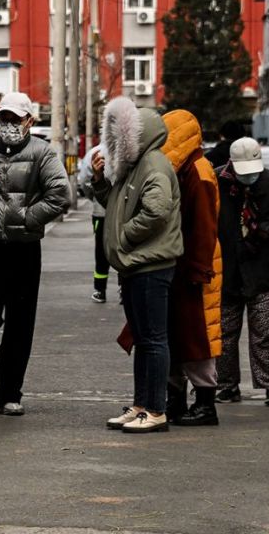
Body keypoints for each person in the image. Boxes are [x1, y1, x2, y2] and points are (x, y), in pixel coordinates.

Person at [91, 97, 182, 434]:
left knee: (154, 339)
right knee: (144, 340)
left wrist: (125, 237)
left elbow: (157, 211)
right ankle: (142, 404)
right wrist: (101, 182)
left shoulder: (154, 165)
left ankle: (156, 409)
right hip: (135, 265)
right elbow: (116, 205)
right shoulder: (134, 166)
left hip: (150, 265)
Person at [0, 91, 70, 416]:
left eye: (15, 118)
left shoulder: (42, 153)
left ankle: (10, 392)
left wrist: (26, 218)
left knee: (20, 325)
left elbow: (61, 193)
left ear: (29, 121)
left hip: (24, 251)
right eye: (4, 117)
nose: (9, 124)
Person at [214, 137, 269, 407]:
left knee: (267, 333)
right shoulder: (216, 183)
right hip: (226, 270)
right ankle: (226, 386)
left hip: (263, 269)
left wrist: (266, 231)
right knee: (224, 334)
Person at [160, 110, 222, 427]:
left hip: (197, 266)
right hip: (186, 264)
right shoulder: (187, 169)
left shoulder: (198, 171)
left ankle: (204, 403)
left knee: (198, 337)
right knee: (179, 335)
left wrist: (199, 269)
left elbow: (204, 226)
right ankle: (177, 401)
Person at [83, 145, 111, 303]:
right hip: (125, 212)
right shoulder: (130, 149)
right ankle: (123, 287)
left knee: (101, 251)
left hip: (101, 213)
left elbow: (84, 181)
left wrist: (94, 198)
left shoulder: (95, 152)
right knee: (125, 248)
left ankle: (100, 289)